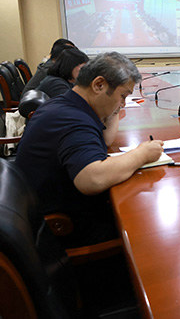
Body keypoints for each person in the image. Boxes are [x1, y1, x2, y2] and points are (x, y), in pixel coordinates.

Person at [15, 52, 164, 248]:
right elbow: (92, 179)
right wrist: (142, 154)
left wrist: (114, 107)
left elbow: (106, 139)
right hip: (62, 232)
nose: (123, 104)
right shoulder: (73, 121)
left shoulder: (66, 105)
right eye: (123, 96)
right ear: (98, 85)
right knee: (151, 226)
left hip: (42, 215)